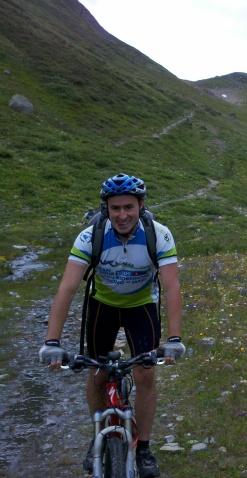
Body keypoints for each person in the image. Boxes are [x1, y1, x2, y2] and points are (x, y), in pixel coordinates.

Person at [38, 173, 185, 478]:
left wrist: (174, 338)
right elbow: (67, 288)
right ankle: (97, 438)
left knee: (145, 375)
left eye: (128, 207)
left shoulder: (158, 234)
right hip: (102, 307)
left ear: (140, 205)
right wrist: (52, 342)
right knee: (97, 374)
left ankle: (143, 449)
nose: (122, 215)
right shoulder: (90, 236)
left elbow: (172, 287)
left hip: (140, 307)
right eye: (115, 208)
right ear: (106, 209)